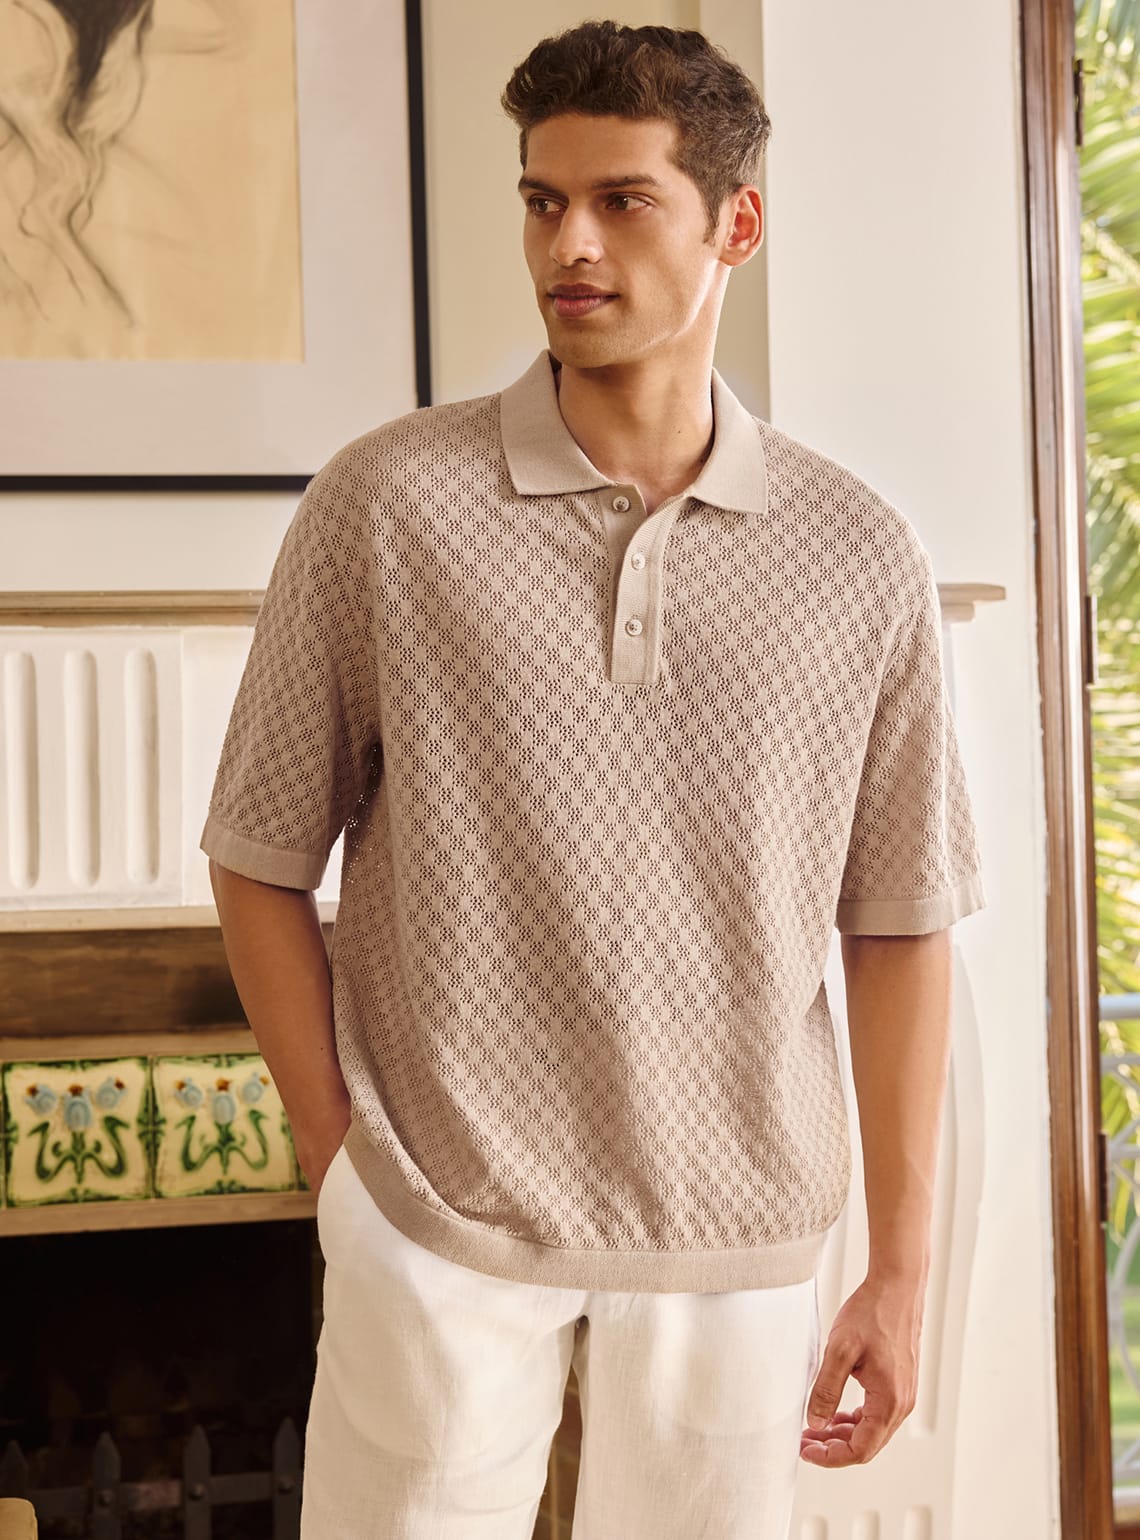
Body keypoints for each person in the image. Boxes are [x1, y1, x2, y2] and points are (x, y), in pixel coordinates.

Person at [201, 19, 986, 1539]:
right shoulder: (385, 505)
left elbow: (899, 920)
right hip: (436, 1217)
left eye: (622, 201)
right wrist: (338, 1161)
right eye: (542, 200)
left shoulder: (859, 552)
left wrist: (899, 1270)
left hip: (739, 1236)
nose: (569, 244)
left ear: (735, 225)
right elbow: (257, 852)